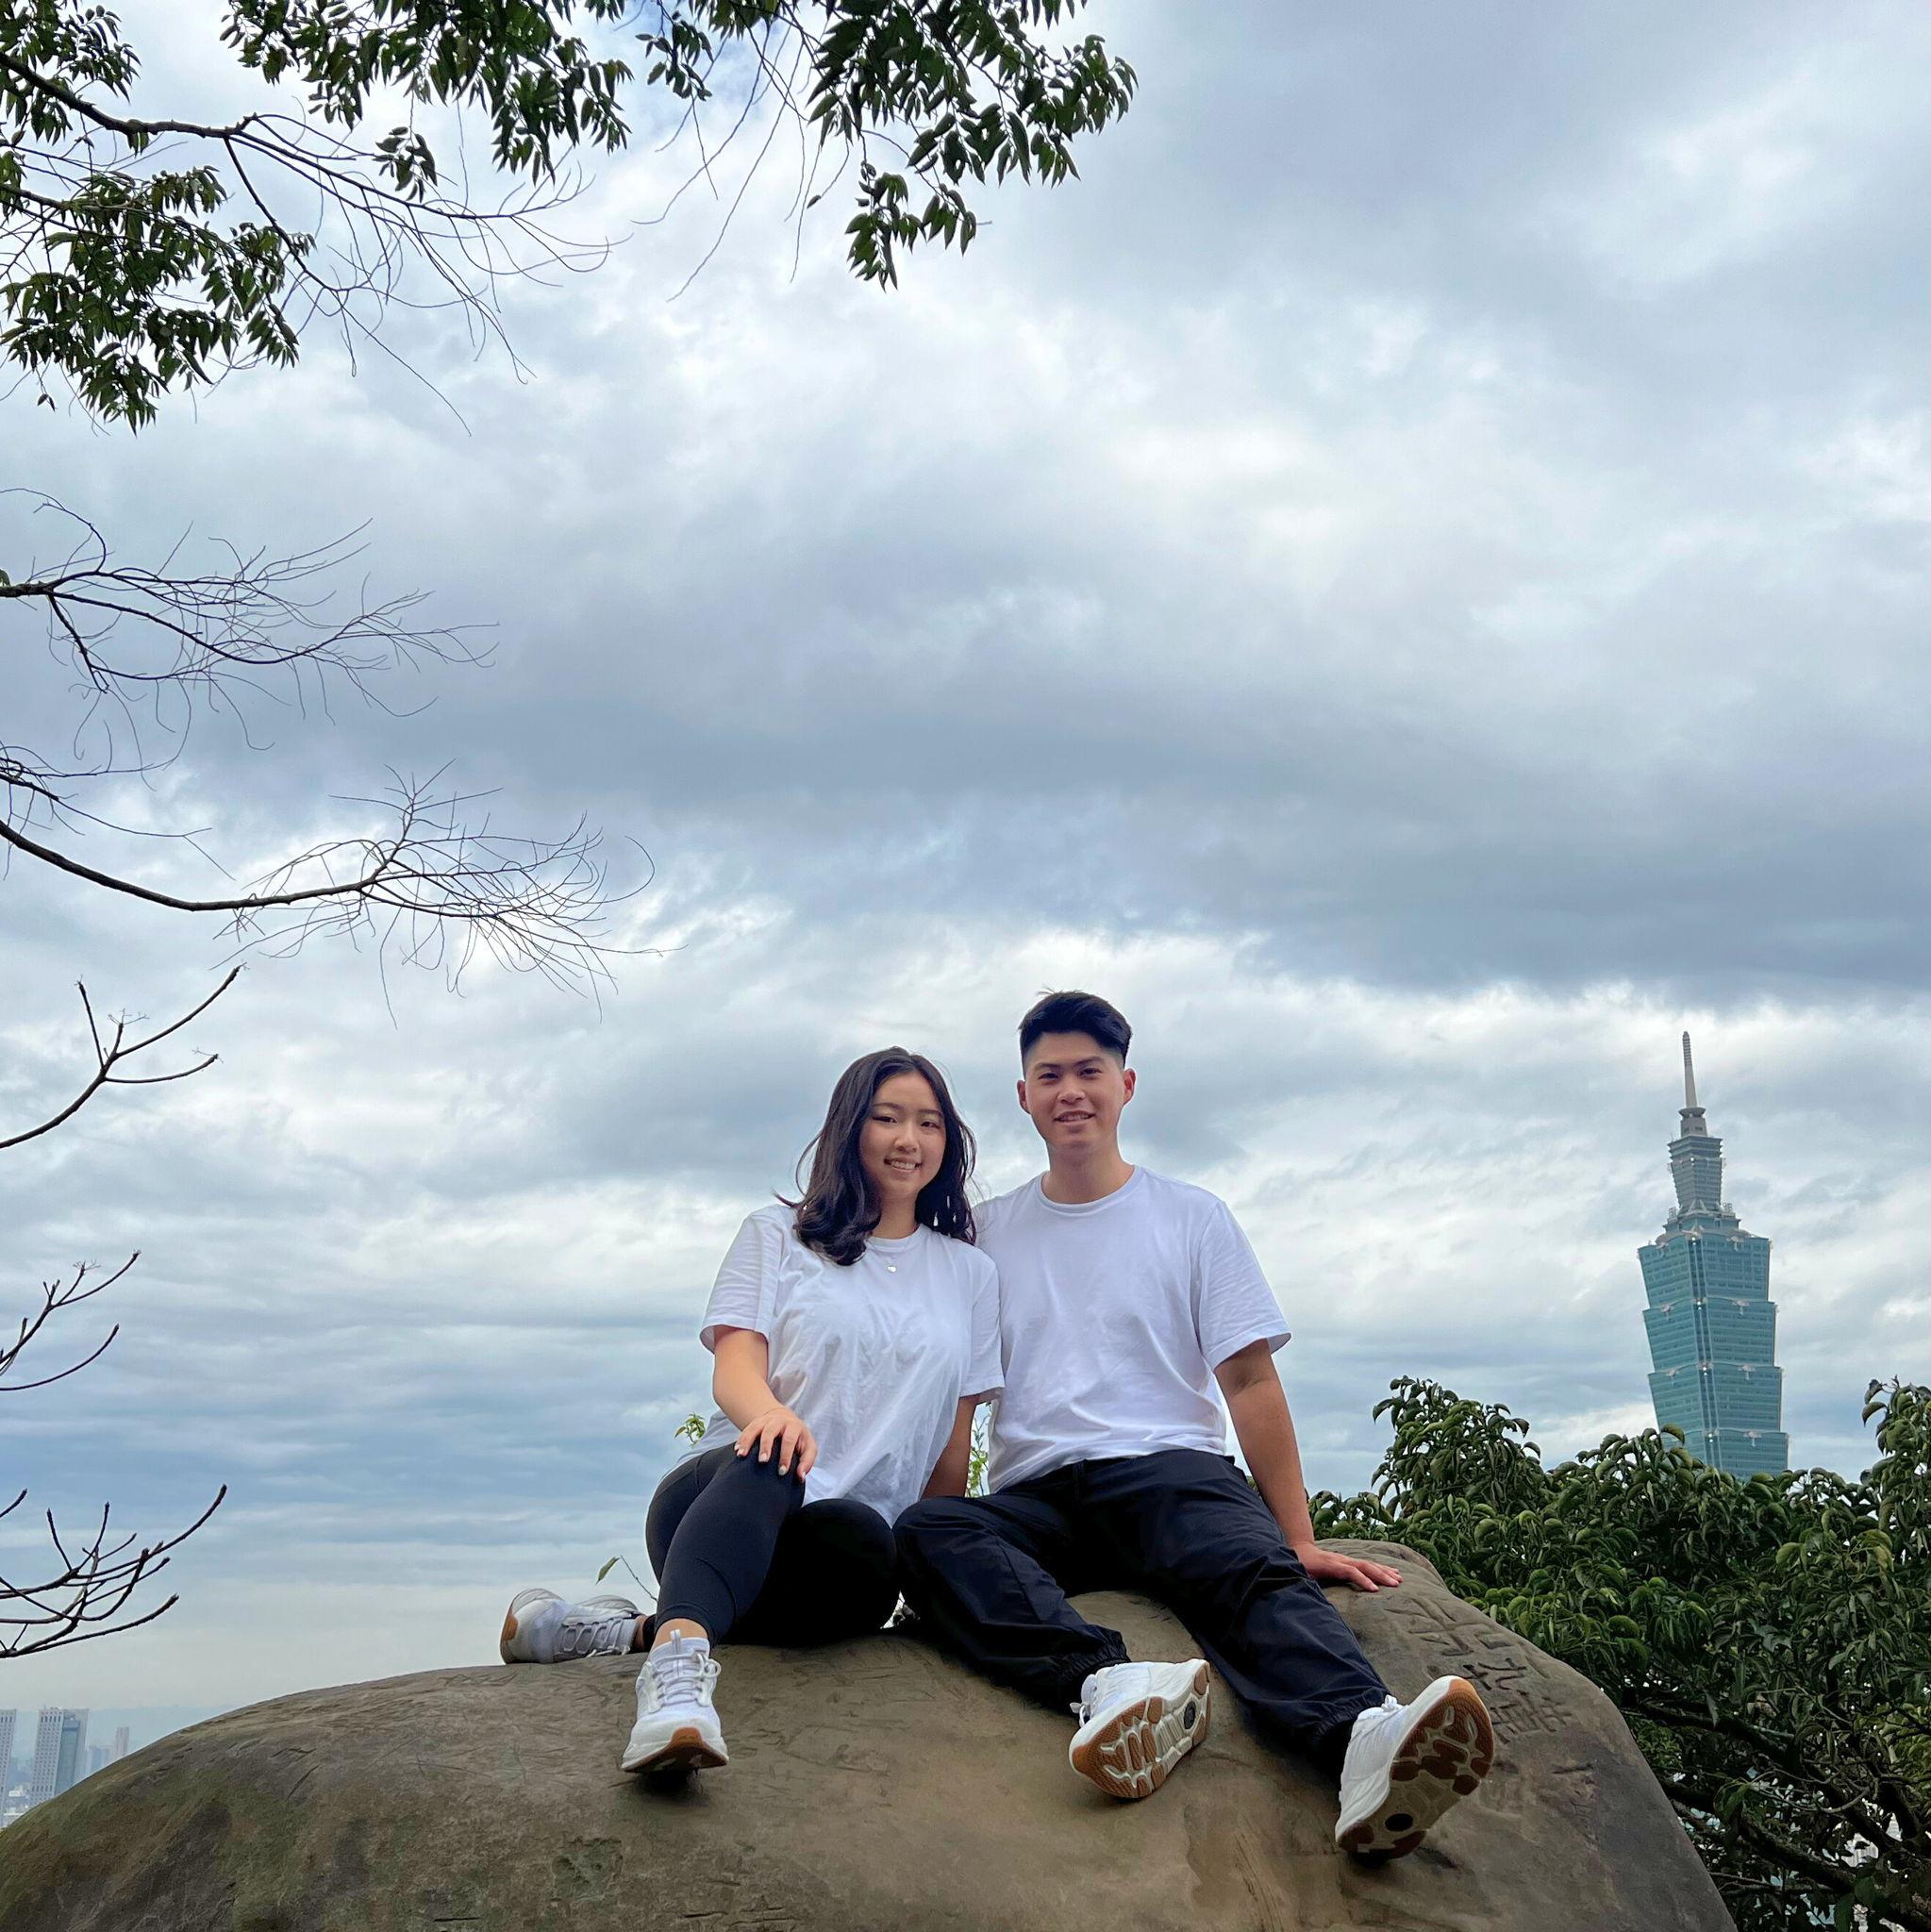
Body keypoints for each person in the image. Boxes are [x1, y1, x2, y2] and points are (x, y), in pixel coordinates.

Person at [894, 991, 1493, 1860]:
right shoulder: (984, 1235)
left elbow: (1248, 1380)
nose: (1070, 1092)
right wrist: (934, 1553)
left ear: (1126, 1085)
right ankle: (1109, 1685)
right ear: (1022, 1095)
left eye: (1089, 1072)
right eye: (1049, 1075)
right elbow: (960, 1401)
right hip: (1038, 1497)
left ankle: (1362, 1740)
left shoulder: (1190, 1216)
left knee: (1247, 1571)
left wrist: (1297, 1536)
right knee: (928, 1531)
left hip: (1169, 1472)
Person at [499, 1047, 1001, 1779]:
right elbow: (735, 1366)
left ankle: (618, 1632)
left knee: (864, 1534)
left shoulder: (970, 1274)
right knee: (776, 1458)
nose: (908, 1140)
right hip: (727, 1497)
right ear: (849, 1127)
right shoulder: (777, 1235)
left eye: (928, 1124)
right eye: (887, 1118)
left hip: (831, 1559)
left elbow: (951, 1447)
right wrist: (772, 1415)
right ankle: (673, 1685)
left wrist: (937, 1569)